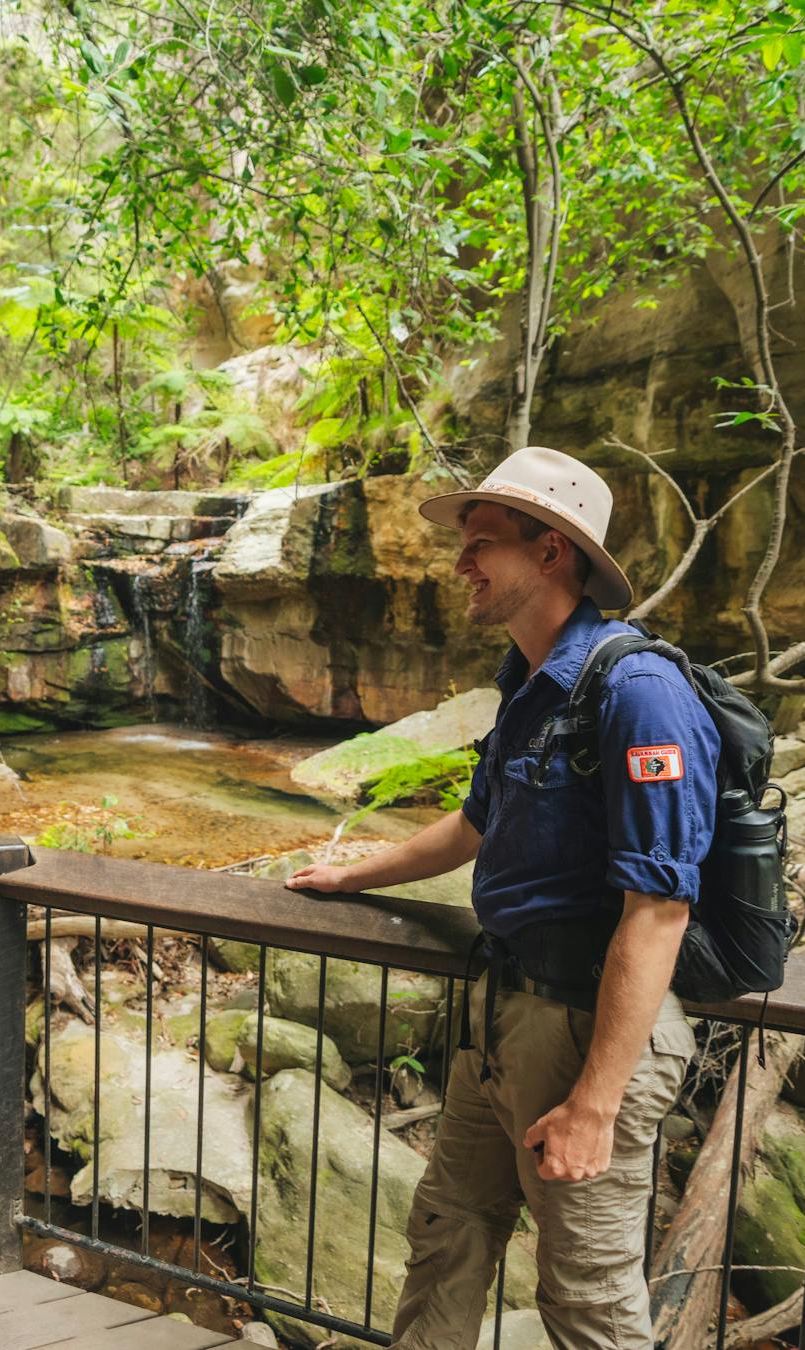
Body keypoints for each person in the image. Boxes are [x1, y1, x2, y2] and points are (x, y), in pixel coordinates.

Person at [287, 446, 713, 1349]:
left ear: (551, 549)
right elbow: (473, 827)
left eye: (481, 543)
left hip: (587, 1028)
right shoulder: (527, 685)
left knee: (588, 1299)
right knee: (447, 1231)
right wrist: (350, 873)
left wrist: (595, 1105)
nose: (460, 566)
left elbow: (660, 908)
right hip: (501, 1013)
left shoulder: (639, 693)